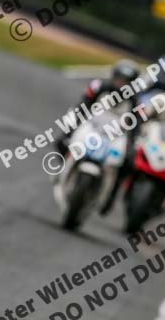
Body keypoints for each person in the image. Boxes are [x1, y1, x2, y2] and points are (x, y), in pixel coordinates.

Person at [54, 60, 141, 215]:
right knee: (62, 141)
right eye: (119, 79)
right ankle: (59, 169)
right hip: (91, 127)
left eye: (126, 81)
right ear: (113, 77)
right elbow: (82, 107)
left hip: (115, 136)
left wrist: (131, 147)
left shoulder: (135, 101)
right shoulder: (99, 88)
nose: (121, 84)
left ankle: (110, 198)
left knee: (128, 163)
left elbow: (136, 127)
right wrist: (71, 131)